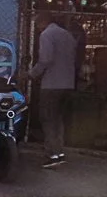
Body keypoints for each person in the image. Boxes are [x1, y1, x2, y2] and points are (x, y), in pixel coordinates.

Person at [26, 12, 79, 167]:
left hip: (51, 84)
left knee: (48, 118)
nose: (36, 28)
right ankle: (60, 152)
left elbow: (46, 59)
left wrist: (31, 74)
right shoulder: (67, 35)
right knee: (58, 119)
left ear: (42, 22)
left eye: (36, 24)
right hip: (67, 83)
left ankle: (52, 155)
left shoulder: (46, 35)